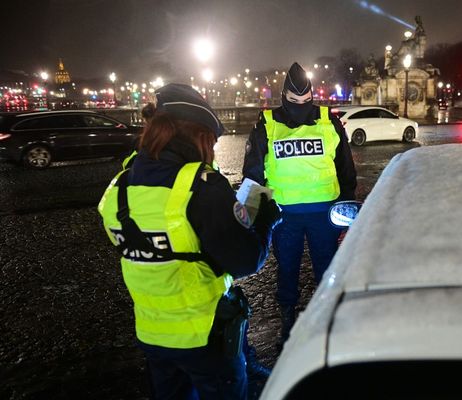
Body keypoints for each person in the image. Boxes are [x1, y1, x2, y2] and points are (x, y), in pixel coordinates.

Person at [98, 83, 281, 400]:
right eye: (211, 141)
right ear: (200, 136)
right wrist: (265, 222)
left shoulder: (120, 184)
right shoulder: (203, 186)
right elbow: (245, 260)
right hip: (204, 336)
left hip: (152, 333)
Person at [242, 62, 357, 348]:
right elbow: (346, 170)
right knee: (320, 268)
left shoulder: (267, 123)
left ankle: (290, 324)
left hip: (291, 213)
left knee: (293, 269)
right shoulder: (326, 120)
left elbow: (253, 174)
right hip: (314, 212)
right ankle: (326, 322)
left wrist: (251, 218)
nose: (300, 107)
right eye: (297, 102)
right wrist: (347, 209)